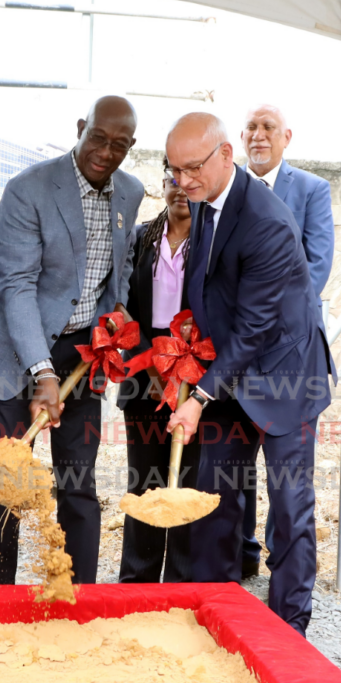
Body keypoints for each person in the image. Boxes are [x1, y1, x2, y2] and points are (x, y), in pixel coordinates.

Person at [0, 96, 144, 586]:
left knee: (77, 482)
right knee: (7, 481)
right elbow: (15, 286)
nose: (107, 151)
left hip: (83, 355)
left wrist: (113, 318)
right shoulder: (27, 189)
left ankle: (72, 596)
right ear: (81, 128)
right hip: (14, 353)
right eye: (98, 137)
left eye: (120, 144)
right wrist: (41, 372)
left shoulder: (131, 191)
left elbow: (118, 272)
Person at [166, 112, 333, 636]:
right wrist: (185, 359)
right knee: (215, 497)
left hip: (284, 377)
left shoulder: (266, 219)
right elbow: (208, 292)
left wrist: (199, 395)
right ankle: (217, 618)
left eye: (193, 168)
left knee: (289, 510)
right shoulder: (203, 200)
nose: (183, 181)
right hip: (230, 375)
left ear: (224, 156)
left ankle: (289, 631)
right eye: (174, 170)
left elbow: (257, 325)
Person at [239, 104, 334, 578]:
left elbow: (316, 269)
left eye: (268, 128)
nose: (258, 135)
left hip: (293, 357)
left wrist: (257, 323)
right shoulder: (228, 189)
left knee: (289, 475)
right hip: (236, 357)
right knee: (235, 467)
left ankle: (284, 561)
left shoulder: (312, 191)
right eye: (251, 128)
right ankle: (242, 556)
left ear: (286, 137)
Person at [117, 170, 200, 583]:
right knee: (145, 482)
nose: (180, 187)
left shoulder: (210, 240)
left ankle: (181, 586)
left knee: (186, 481)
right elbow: (121, 304)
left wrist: (185, 371)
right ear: (162, 182)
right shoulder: (138, 238)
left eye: (190, 178)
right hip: (143, 379)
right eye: (173, 177)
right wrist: (147, 362)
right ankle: (136, 583)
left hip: (193, 381)